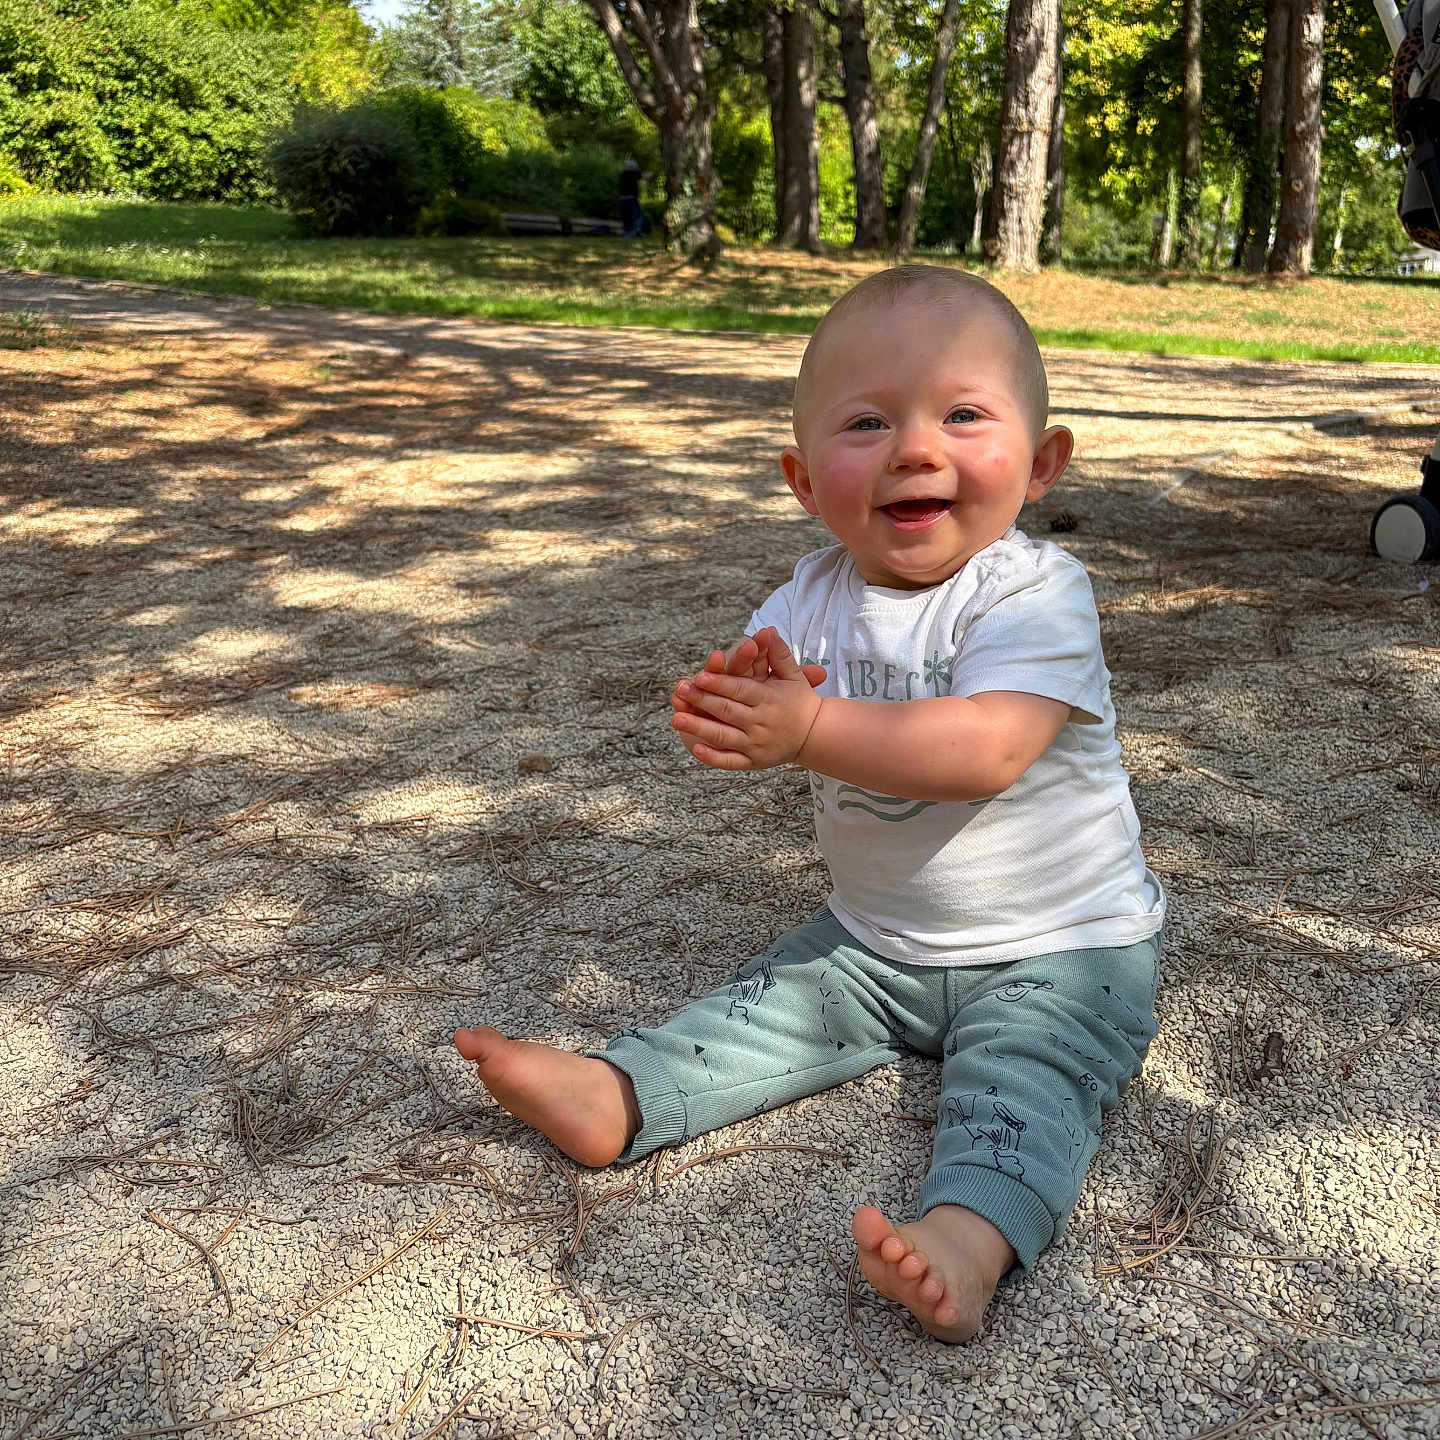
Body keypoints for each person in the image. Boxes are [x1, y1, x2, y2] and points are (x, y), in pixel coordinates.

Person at [455, 265, 1165, 1343]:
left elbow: (986, 749)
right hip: (876, 943)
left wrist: (811, 731)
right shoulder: (810, 595)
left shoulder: (1034, 592)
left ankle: (966, 1243)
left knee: (1026, 1089)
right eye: (868, 421)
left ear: (1044, 461)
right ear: (802, 479)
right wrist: (741, 702)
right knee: (767, 1002)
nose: (915, 449)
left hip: (1060, 947)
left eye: (963, 414)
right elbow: (775, 693)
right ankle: (622, 1092)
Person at [618, 158, 644, 238]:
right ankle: (636, 232)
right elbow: (644, 176)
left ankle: (627, 232)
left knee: (626, 216)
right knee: (637, 216)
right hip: (631, 198)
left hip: (622, 198)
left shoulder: (623, 174)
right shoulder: (633, 173)